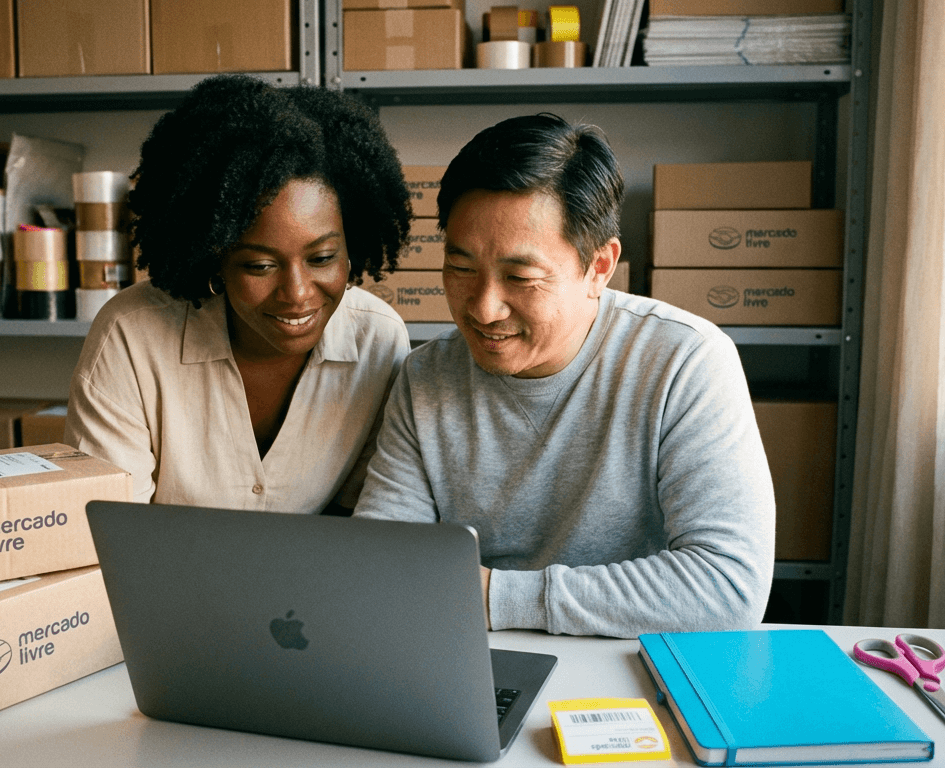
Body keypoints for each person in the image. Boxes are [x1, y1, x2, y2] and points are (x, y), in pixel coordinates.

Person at [353, 113, 775, 638]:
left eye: (521, 277)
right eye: (461, 269)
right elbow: (381, 566)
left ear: (599, 267)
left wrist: (495, 597)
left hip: (633, 664)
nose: (483, 309)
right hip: (472, 660)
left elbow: (728, 586)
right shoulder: (425, 377)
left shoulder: (684, 362)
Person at [66, 74, 412, 514]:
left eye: (322, 258)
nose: (297, 293)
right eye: (259, 266)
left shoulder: (379, 340)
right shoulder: (132, 336)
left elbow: (361, 521)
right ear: (216, 258)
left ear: (352, 247)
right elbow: (108, 533)